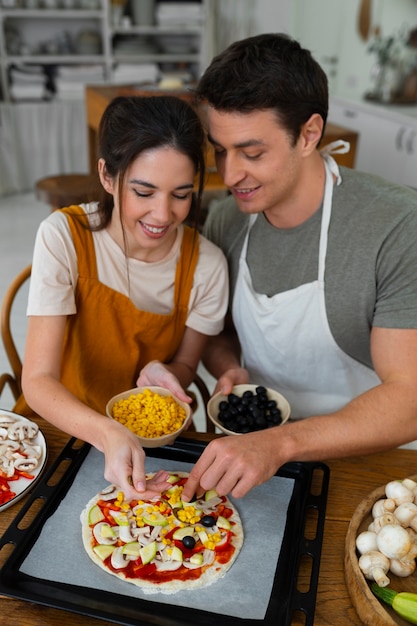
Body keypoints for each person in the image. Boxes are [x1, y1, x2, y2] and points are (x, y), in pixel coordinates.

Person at [181, 32, 417, 502]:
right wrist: (228, 367)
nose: (229, 176)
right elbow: (218, 332)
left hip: (371, 469)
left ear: (309, 134)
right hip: (257, 460)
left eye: (252, 153)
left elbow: (409, 400)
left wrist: (282, 442)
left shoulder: (397, 226)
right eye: (221, 151)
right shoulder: (228, 221)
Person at [21, 95, 228, 499]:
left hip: (153, 447)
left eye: (181, 194)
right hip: (62, 428)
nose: (163, 215)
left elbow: (185, 363)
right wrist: (107, 431)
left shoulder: (207, 265)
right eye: (144, 192)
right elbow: (38, 381)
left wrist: (167, 378)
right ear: (108, 176)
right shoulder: (64, 237)